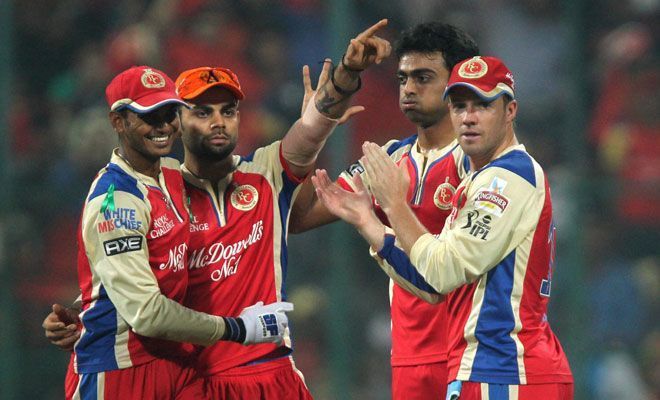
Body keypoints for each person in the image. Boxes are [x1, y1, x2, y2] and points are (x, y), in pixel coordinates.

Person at [44, 20, 391, 399]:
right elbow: (133, 278)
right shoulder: (157, 191)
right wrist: (87, 318)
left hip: (270, 370)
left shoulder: (265, 172)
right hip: (196, 379)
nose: (218, 122)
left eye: (228, 111)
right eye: (202, 112)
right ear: (180, 121)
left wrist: (347, 73)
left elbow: (312, 125)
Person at [312, 55, 574, 399]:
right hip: (483, 370)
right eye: (459, 106)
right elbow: (432, 284)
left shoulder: (507, 178)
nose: (468, 117)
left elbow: (443, 270)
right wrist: (367, 220)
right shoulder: (482, 180)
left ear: (510, 111)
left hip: (507, 372)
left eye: (482, 105)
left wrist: (395, 204)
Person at [66, 65, 293, 400]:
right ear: (118, 122)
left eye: (170, 112)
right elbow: (146, 313)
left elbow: (141, 269)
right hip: (117, 372)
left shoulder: (171, 177)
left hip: (175, 366)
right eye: (149, 115)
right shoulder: (114, 203)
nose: (163, 126)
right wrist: (238, 328)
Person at [290, 22, 478, 399]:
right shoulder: (389, 157)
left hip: (469, 357)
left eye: (423, 77)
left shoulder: (478, 163)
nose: (408, 88)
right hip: (407, 359)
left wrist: (374, 217)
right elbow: (299, 215)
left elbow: (449, 273)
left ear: (457, 85)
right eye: (403, 78)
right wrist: (315, 128)